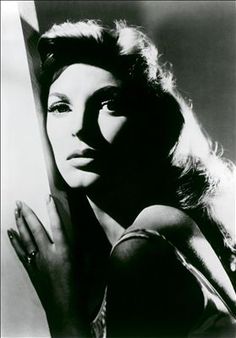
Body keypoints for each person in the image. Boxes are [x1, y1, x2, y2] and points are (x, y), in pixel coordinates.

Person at [7, 20, 236, 337]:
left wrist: (61, 307)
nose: (80, 127)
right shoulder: (112, 257)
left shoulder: (146, 242)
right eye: (60, 107)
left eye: (109, 104)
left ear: (147, 126)